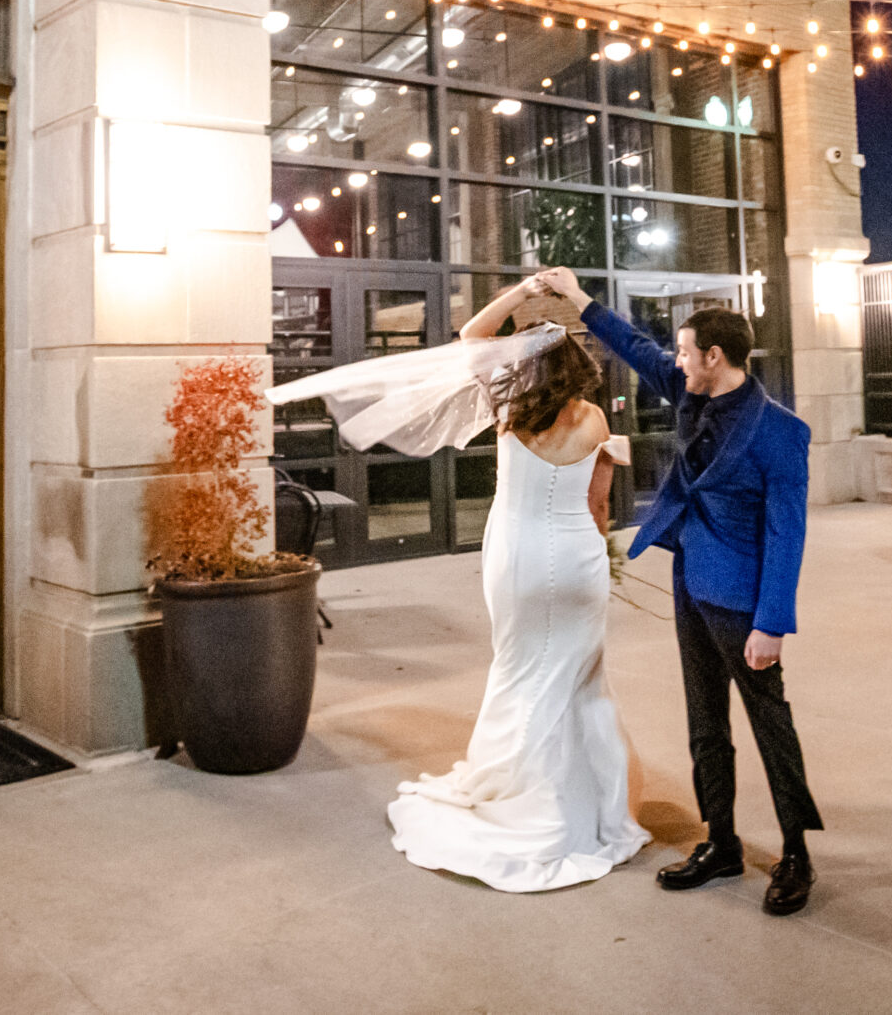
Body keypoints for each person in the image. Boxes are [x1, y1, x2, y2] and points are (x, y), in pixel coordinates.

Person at [266, 280, 647, 892]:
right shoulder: (596, 420)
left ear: (521, 367)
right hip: (577, 559)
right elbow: (599, 508)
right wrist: (600, 555)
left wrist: (523, 291)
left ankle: (515, 791)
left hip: (517, 557)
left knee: (521, 669)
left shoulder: (506, 407)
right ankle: (583, 810)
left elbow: (471, 337)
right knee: (577, 677)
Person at [533, 266, 822, 917]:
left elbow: (787, 534)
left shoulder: (781, 432)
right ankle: (720, 841)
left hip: (745, 598)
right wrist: (578, 296)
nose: (678, 359)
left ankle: (797, 852)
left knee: (770, 722)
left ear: (714, 357)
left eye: (687, 351)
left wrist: (770, 622)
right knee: (704, 721)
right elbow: (637, 347)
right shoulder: (691, 392)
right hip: (691, 579)